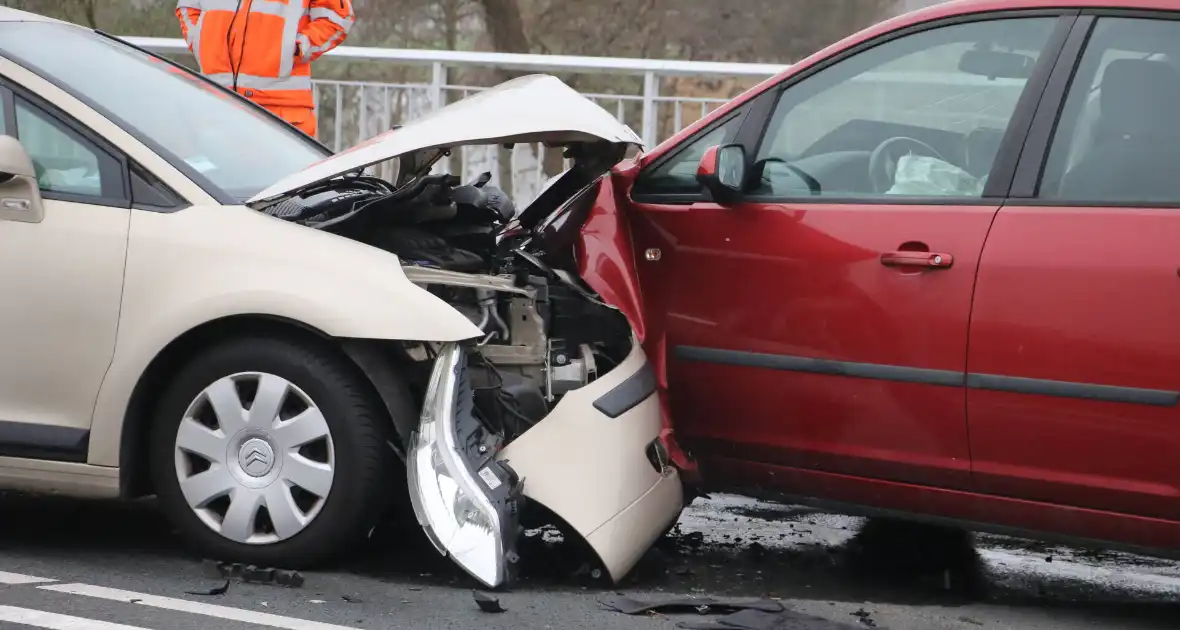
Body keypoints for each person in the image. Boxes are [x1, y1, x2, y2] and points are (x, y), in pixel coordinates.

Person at [175, 0, 355, 137]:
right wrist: (202, 43)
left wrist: (295, 48)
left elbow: (337, 18)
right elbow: (187, 7)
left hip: (280, 111)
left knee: (286, 184)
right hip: (216, 104)